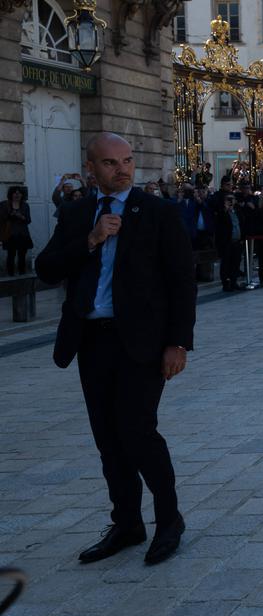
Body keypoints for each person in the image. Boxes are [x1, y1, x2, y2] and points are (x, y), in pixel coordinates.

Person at [34, 132, 195, 566]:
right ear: (91, 168)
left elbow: (182, 281)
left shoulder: (159, 212)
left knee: (138, 431)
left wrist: (177, 342)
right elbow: (46, 269)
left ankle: (169, 520)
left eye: (127, 160)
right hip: (93, 340)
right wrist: (89, 240)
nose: (122, 169)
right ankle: (126, 523)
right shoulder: (76, 214)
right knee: (108, 438)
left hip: (142, 343)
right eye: (110, 163)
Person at [1, 186, 33, 275]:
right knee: (11, 255)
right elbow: (2, 219)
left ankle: (22, 272)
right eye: (15, 193)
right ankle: (11, 273)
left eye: (19, 193)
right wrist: (11, 215)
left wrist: (21, 216)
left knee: (22, 255)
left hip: (23, 234)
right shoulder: (5, 204)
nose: (17, 194)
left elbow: (28, 220)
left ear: (22, 194)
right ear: (11, 194)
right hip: (10, 234)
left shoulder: (25, 205)